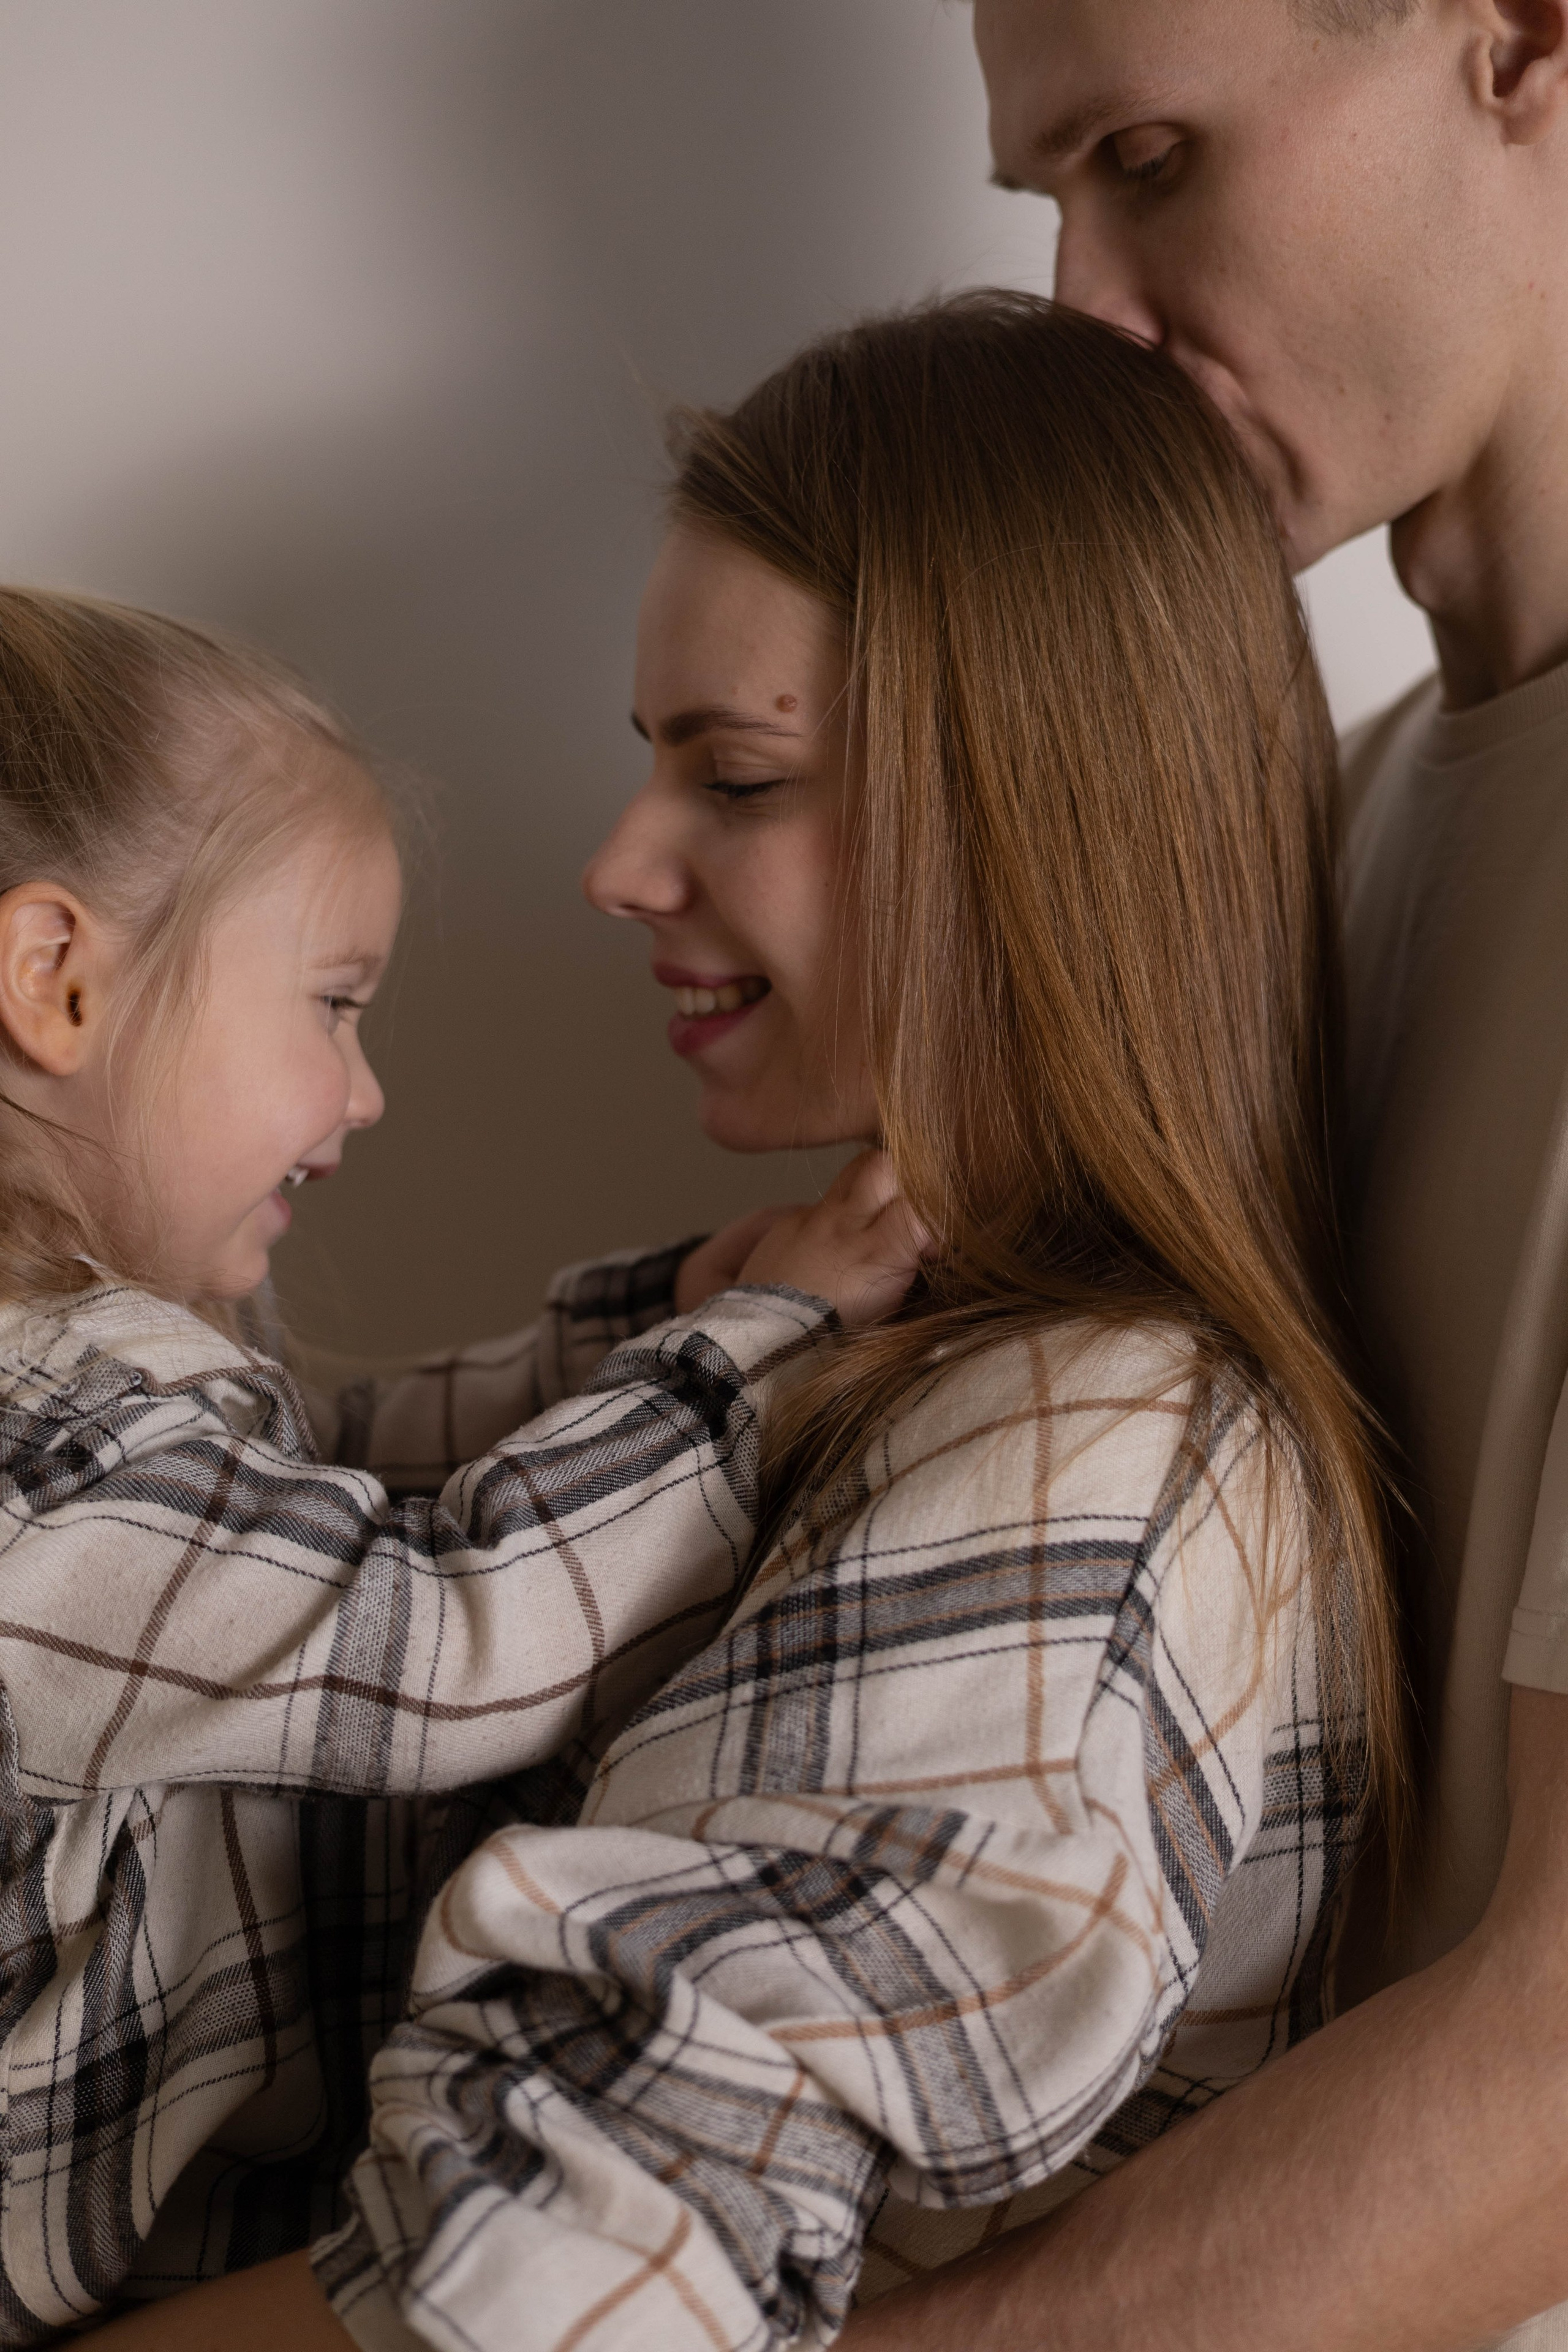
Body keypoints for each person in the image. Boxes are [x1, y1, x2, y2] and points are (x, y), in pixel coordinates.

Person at [105, 293, 1402, 2348]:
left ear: (1029, 817)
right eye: (656, 767)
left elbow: (525, 2305)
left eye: (741, 775)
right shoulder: (845, 1334)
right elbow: (289, 1523)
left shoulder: (1087, 1461)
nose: (622, 864)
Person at [832, 0, 1568, 2346]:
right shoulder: (1331, 826)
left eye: (1149, 155)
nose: (1082, 303)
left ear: (1518, 41)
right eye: (1046, 193)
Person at [0, 587, 924, 2340]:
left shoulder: (85, 1407)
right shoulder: (44, 1459)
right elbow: (442, 1633)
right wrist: (754, 1345)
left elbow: (332, 1493)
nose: (363, 1096)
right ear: (58, 983)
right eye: (334, 1006)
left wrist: (638, 1334)